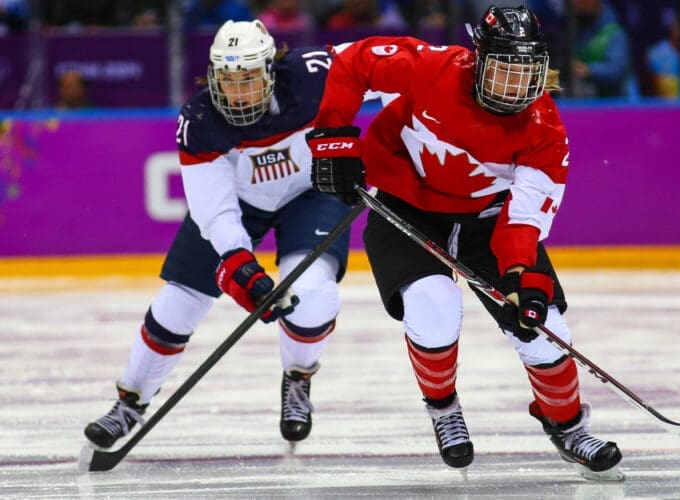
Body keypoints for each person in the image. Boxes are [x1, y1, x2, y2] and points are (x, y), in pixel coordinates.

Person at [305, 5, 624, 481]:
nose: (515, 88)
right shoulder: (434, 67)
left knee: (543, 326)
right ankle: (442, 408)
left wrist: (520, 276)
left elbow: (523, 216)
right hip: (405, 204)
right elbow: (353, 61)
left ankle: (568, 425)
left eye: (526, 74)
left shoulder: (545, 132)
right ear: (479, 59)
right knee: (432, 307)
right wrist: (334, 137)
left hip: (487, 223)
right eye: (503, 70)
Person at [83, 19, 352, 450]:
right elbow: (215, 207)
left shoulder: (315, 72)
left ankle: (298, 378)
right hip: (240, 207)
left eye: (247, 78)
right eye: (227, 80)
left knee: (313, 293)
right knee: (176, 306)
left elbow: (390, 65)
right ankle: (130, 402)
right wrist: (239, 263)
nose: (237, 92)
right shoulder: (199, 119)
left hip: (312, 191)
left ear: (270, 70)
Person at [570, 0, 632, 98]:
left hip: (613, 104)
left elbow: (617, 70)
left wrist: (589, 70)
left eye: (584, 4)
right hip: (581, 102)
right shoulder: (576, 31)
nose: (578, 8)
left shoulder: (614, 33)